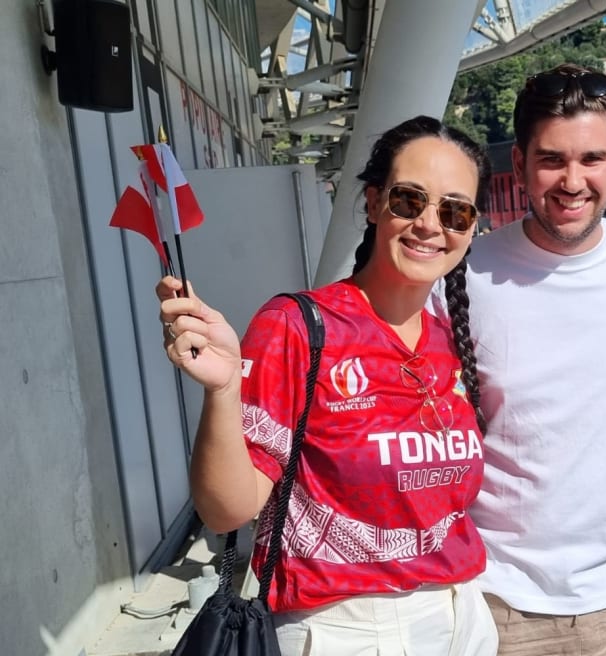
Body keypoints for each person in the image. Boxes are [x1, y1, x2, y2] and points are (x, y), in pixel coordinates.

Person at [157, 116, 498, 655]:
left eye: (455, 211)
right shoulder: (298, 325)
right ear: (372, 201)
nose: (431, 225)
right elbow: (228, 511)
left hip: (462, 617)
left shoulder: (448, 340)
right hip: (346, 628)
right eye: (410, 200)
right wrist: (222, 391)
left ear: (471, 228)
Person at [449, 63, 606, 655]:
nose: (572, 181)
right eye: (552, 159)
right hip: (502, 601)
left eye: (591, 159)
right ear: (520, 165)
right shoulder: (465, 275)